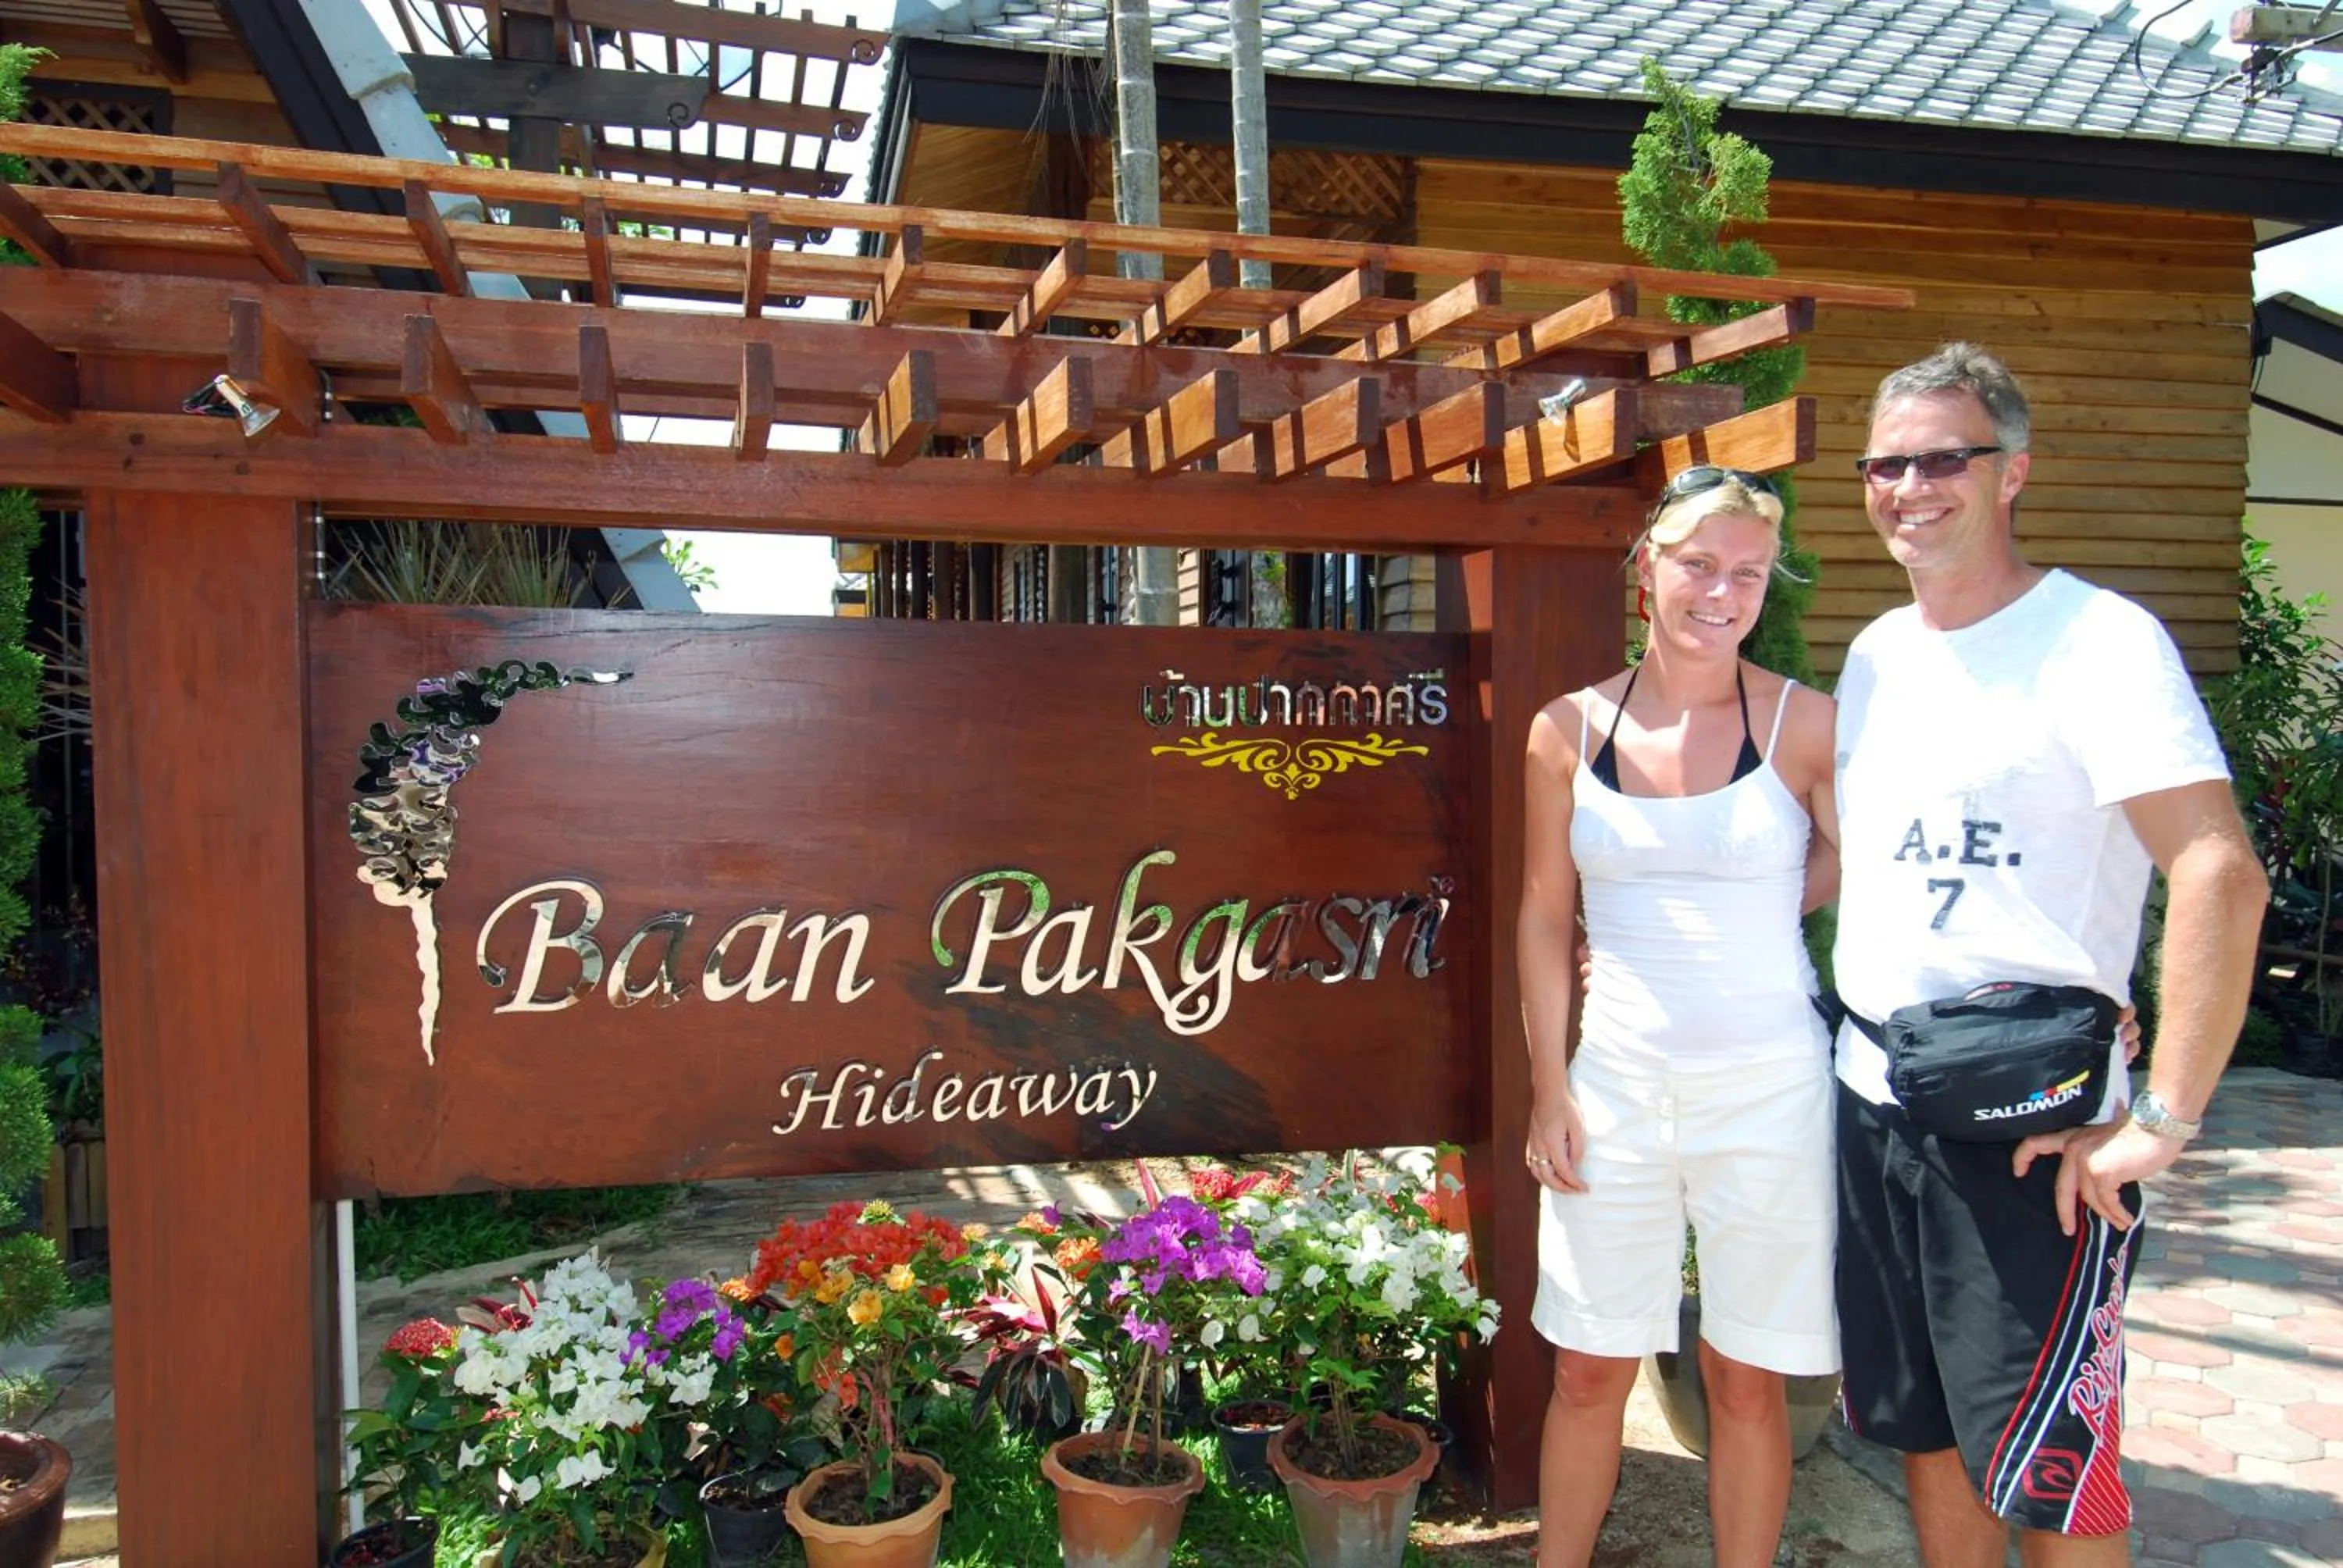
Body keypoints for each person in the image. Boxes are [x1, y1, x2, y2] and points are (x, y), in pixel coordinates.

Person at [1831, 342, 2268, 1566]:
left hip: (2028, 1136)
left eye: (1942, 459)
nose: (1909, 487)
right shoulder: (1876, 655)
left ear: (2012, 471)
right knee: (1927, 1434)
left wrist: (2164, 1121)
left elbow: (2219, 870)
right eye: (1885, 464)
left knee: (2056, 1472)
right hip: (1876, 1105)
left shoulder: (2099, 643)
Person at [1519, 469, 1841, 1568]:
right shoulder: (1564, 730)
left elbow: (1872, 868)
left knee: (1746, 1379)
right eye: (1700, 563)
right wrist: (1549, 1089)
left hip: (1772, 1092)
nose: (1723, 592)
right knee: (1585, 1366)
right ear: (1646, 564)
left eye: (1749, 573)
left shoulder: (1809, 725)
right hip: (1611, 1086)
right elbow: (1542, 912)